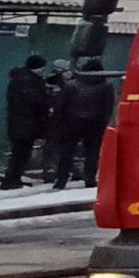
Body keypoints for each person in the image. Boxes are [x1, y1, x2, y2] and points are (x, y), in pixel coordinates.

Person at [47, 59, 115, 190]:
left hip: (71, 122)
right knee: (92, 152)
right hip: (95, 123)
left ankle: (61, 180)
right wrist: (104, 122)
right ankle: (89, 179)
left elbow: (61, 106)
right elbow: (108, 107)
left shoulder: (71, 85)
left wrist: (59, 122)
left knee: (67, 152)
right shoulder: (106, 85)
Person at [0, 54, 53, 190]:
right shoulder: (29, 82)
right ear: (36, 67)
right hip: (25, 123)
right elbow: (36, 101)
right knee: (20, 153)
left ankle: (14, 179)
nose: (42, 70)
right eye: (41, 67)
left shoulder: (20, 80)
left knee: (20, 153)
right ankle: (10, 181)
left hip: (20, 122)